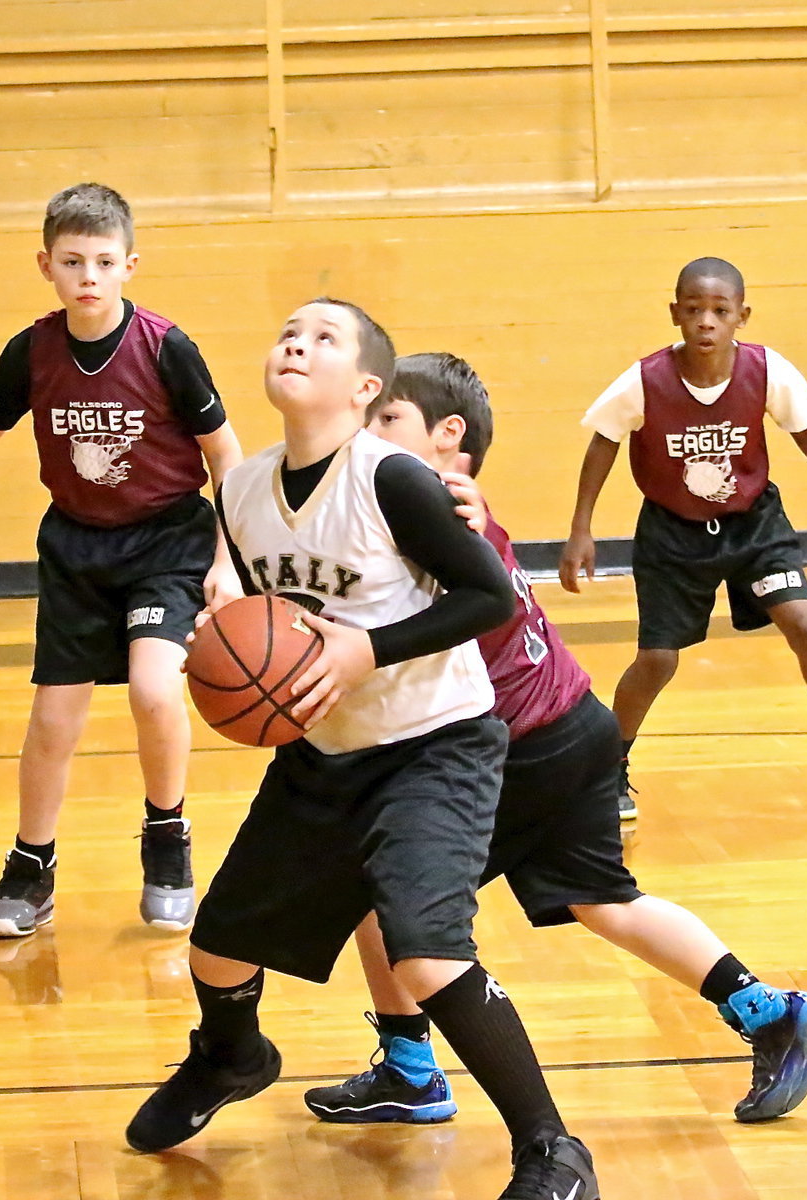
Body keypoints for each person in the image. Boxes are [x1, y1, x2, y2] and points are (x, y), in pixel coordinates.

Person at [125, 300, 601, 1200]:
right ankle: (230, 1057)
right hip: (327, 749)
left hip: (438, 745)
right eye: (287, 333)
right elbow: (281, 626)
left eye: (324, 338)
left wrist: (362, 650)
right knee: (220, 944)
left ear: (366, 387)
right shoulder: (238, 493)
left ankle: (552, 1149)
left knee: (425, 953)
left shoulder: (389, 478)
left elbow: (487, 598)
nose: (296, 343)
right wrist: (228, 647)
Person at [301, 351, 807, 1133]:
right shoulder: (437, 503)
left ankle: (412, 1070)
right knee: (605, 899)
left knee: (381, 886)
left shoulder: (437, 513)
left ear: (450, 438)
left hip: (520, 743)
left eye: (387, 418)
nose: (367, 430)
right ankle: (769, 1010)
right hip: (574, 724)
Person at [0, 183, 243, 937]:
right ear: (46, 264)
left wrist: (229, 557)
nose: (89, 276)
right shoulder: (33, 350)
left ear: (131, 264)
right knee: (52, 721)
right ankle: (30, 865)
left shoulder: (166, 349)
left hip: (167, 540)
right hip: (77, 545)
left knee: (152, 688)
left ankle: (167, 835)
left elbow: (224, 455)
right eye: (73, 261)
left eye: (105, 261)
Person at [559, 257, 807, 819]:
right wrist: (581, 528)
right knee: (658, 660)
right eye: (693, 310)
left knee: (805, 623)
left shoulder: (767, 371)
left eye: (719, 311)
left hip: (753, 524)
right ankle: (608, 765)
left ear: (741, 317)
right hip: (671, 533)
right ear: (675, 314)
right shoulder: (645, 380)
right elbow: (602, 444)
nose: (706, 321)